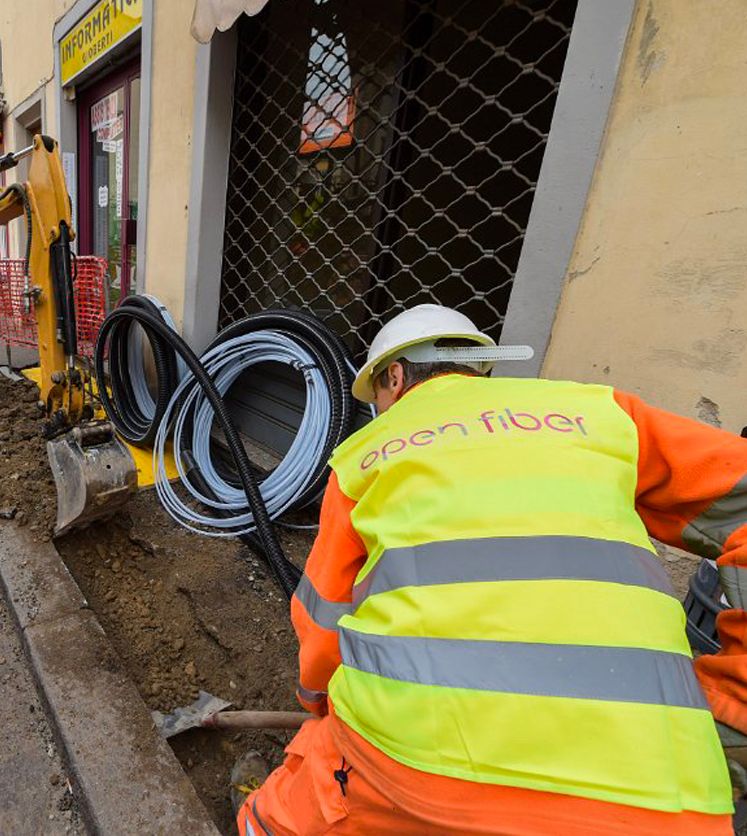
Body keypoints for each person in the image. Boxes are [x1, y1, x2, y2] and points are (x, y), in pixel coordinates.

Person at [237, 303, 746, 835]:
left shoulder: (366, 454)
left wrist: (319, 706)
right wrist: (734, 699)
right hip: (667, 793)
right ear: (479, 367)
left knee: (292, 805)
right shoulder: (604, 414)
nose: (380, 412)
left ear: (394, 375)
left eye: (379, 399)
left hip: (413, 762)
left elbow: (323, 630)